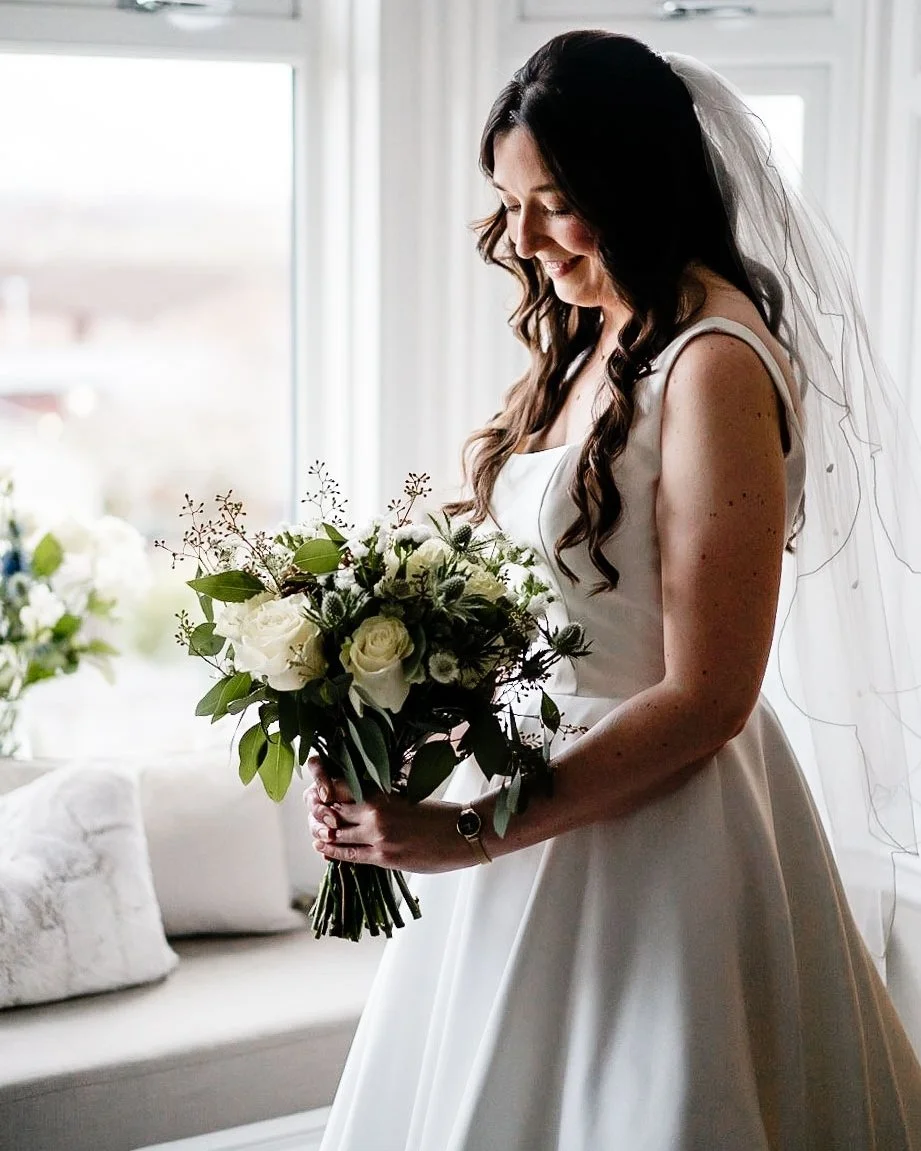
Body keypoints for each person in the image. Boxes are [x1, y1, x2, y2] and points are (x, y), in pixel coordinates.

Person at [308, 30, 921, 1149]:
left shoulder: (714, 363)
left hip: (658, 829)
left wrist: (472, 830)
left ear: (632, 184)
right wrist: (397, 735)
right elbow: (552, 615)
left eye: (553, 200)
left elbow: (709, 695)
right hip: (526, 810)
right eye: (508, 201)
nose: (523, 237)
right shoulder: (599, 340)